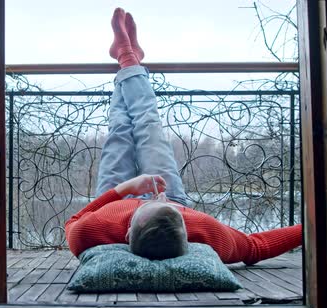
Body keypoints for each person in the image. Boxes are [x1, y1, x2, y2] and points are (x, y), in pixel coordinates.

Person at [64, 8, 302, 264]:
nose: (152, 199)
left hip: (110, 204)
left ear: (127, 233)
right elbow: (257, 247)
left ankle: (128, 58)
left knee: (120, 131)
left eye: (153, 203)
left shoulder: (94, 230)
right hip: (169, 193)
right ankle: (127, 58)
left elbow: (72, 222)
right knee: (148, 125)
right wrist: (320, 221)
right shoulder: (202, 229)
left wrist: (125, 190)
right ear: (185, 225)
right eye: (164, 205)